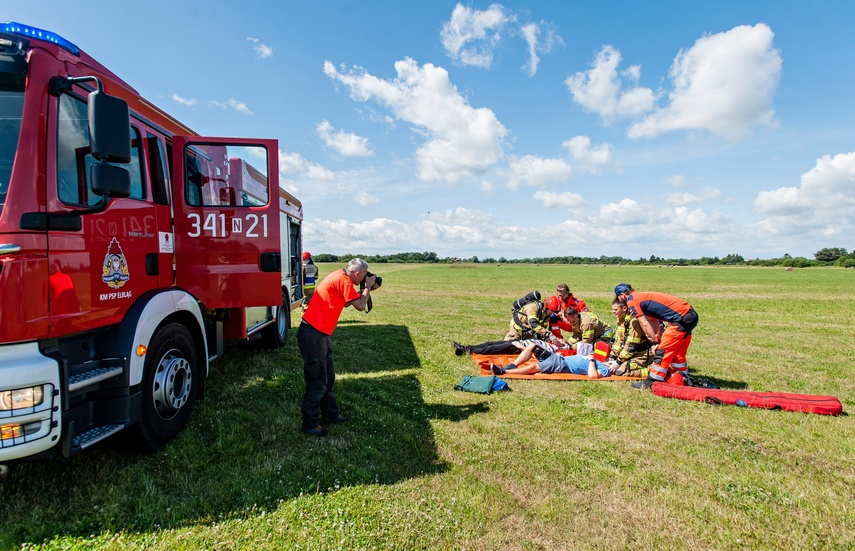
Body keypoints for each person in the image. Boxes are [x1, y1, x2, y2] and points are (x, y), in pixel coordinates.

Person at [297, 258, 378, 436]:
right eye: (364, 276)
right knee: (317, 379)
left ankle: (330, 415)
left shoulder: (341, 277)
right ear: (357, 274)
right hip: (313, 334)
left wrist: (365, 288)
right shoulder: (343, 280)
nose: (366, 278)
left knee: (328, 376)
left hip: (318, 334)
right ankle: (310, 423)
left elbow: (348, 301)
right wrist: (366, 288)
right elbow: (360, 305)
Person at [613, 283, 699, 390]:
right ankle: (683, 378)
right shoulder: (642, 297)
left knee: (663, 352)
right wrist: (656, 339)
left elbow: (644, 323)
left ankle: (652, 381)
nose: (619, 300)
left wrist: (655, 343)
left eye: (618, 298)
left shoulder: (632, 300)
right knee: (678, 352)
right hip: (689, 316)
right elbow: (653, 320)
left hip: (680, 319)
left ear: (622, 295)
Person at [490, 341, 615, 379]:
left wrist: (592, 360)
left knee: (534, 368)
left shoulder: (604, 370)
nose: (609, 361)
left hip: (561, 364)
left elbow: (592, 376)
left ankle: (503, 372)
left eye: (611, 363)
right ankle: (513, 365)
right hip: (558, 357)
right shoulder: (600, 363)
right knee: (532, 346)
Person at [608, 297, 655, 377]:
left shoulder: (634, 322)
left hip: (643, 353)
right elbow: (619, 340)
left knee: (621, 372)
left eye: (615, 310)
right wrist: (612, 357)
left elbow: (631, 346)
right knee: (610, 366)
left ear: (624, 308)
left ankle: (654, 370)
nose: (613, 312)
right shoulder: (622, 319)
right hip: (633, 353)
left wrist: (618, 362)